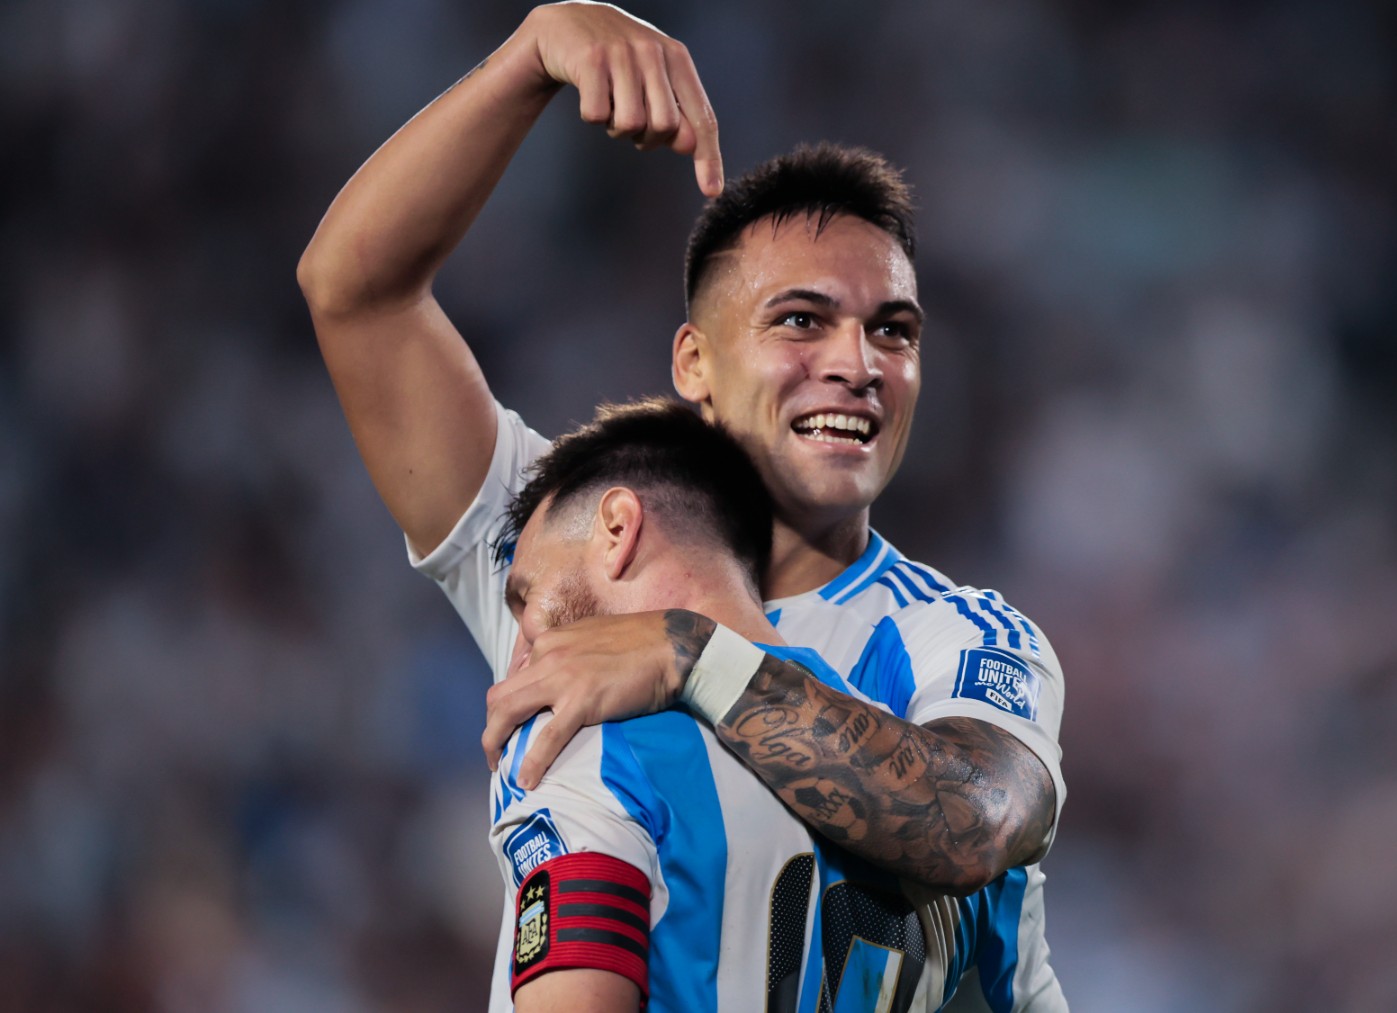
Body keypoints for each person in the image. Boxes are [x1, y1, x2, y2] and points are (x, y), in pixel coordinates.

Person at [296, 3, 1067, 1009]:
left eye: (895, 331)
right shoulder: (572, 551)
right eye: (802, 319)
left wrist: (692, 653)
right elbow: (356, 292)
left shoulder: (951, 636)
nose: (858, 365)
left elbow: (974, 821)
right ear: (694, 363)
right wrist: (529, 57)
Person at [487, 397, 981, 1012]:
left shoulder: (594, 749)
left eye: (525, 598)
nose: (521, 653)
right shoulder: (907, 772)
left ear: (617, 529)